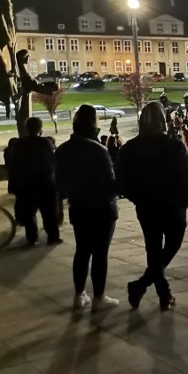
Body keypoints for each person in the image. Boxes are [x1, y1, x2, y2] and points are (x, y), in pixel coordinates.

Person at [118, 101, 188, 311]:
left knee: (153, 250)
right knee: (171, 245)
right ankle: (158, 292)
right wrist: (181, 202)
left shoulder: (130, 149)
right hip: (170, 207)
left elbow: (123, 180)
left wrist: (138, 198)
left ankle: (148, 288)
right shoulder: (173, 145)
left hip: (147, 207)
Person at [55, 105, 120, 310]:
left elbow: (60, 183)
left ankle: (79, 294)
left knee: (82, 251)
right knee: (100, 253)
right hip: (102, 208)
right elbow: (110, 183)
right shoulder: (98, 150)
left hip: (79, 206)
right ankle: (99, 297)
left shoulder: (63, 150)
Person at [9, 117, 61, 246]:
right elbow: (52, 162)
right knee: (49, 211)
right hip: (45, 182)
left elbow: (15, 163)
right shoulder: (45, 143)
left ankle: (32, 238)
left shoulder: (19, 144)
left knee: (29, 212)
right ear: (40, 128)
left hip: (27, 183)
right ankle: (52, 236)